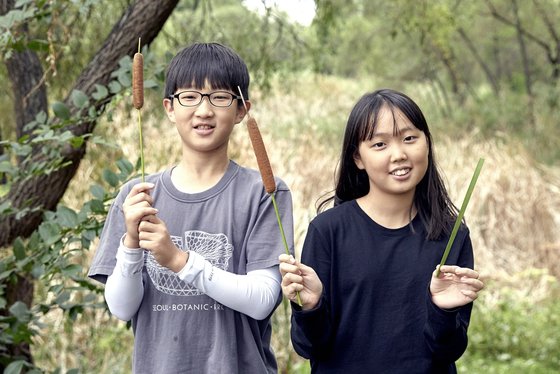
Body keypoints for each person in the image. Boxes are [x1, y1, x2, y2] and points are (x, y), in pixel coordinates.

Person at [88, 42, 294, 374]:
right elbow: (121, 308)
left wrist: (179, 261)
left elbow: (262, 300)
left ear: (241, 110)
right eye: (190, 97)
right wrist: (130, 244)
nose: (203, 110)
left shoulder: (263, 193)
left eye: (219, 98)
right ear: (169, 107)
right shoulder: (136, 196)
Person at [279, 89, 484, 373]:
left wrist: (443, 311)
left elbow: (448, 350)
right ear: (357, 158)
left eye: (410, 138)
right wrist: (311, 306)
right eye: (379, 144)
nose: (399, 154)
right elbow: (309, 347)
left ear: (427, 144)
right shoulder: (328, 231)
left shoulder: (451, 236)